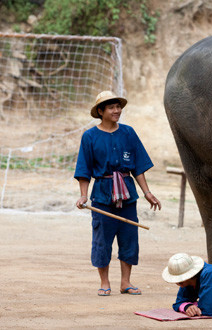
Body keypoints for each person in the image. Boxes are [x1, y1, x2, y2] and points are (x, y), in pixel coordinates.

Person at [75, 90, 162, 296]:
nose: (117, 111)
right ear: (100, 111)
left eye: (118, 107)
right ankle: (105, 282)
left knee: (129, 237)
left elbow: (138, 167)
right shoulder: (89, 137)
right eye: (112, 107)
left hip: (127, 194)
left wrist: (147, 192)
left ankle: (126, 282)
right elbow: (84, 170)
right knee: (102, 240)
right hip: (102, 195)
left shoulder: (128, 133)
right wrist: (83, 195)